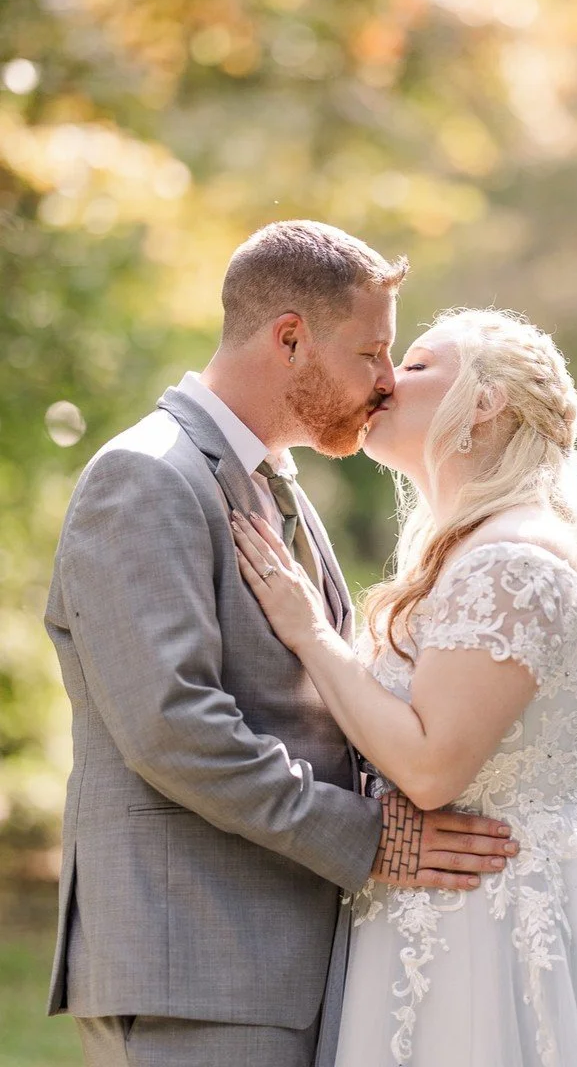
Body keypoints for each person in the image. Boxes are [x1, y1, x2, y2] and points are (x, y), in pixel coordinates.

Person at [44, 222, 518, 1067]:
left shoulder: (272, 483)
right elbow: (173, 726)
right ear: (290, 337)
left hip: (279, 955)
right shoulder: (147, 477)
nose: (385, 383)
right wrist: (368, 837)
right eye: (372, 354)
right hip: (194, 963)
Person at [231, 307, 577, 1066]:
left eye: (417, 365)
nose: (385, 379)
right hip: (444, 907)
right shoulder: (477, 550)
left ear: (484, 404)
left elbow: (429, 768)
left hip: (490, 927)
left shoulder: (507, 560)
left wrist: (309, 633)